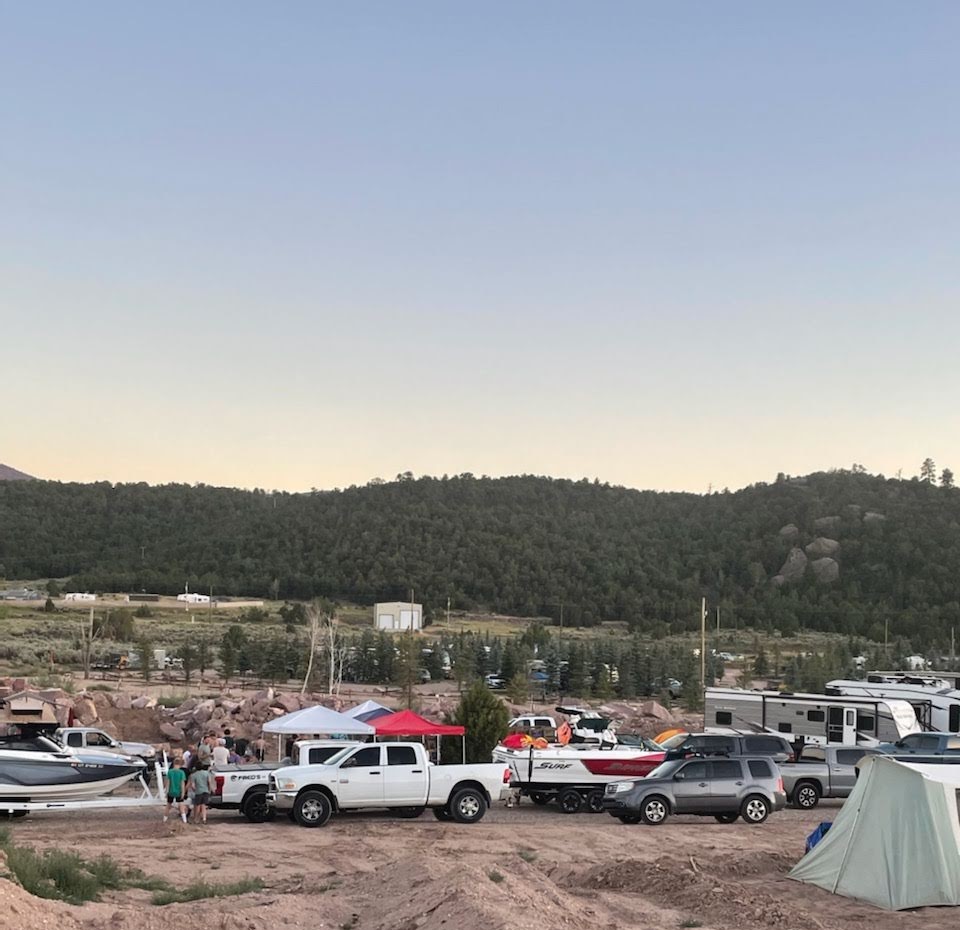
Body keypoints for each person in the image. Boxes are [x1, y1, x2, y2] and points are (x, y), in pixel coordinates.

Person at [163, 757, 188, 824]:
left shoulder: (170, 772)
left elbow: (168, 783)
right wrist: (183, 792)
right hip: (178, 791)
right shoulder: (181, 772)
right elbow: (182, 784)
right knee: (181, 806)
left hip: (171, 791)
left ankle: (164, 820)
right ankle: (184, 821)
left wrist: (167, 791)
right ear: (180, 764)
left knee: (168, 806)